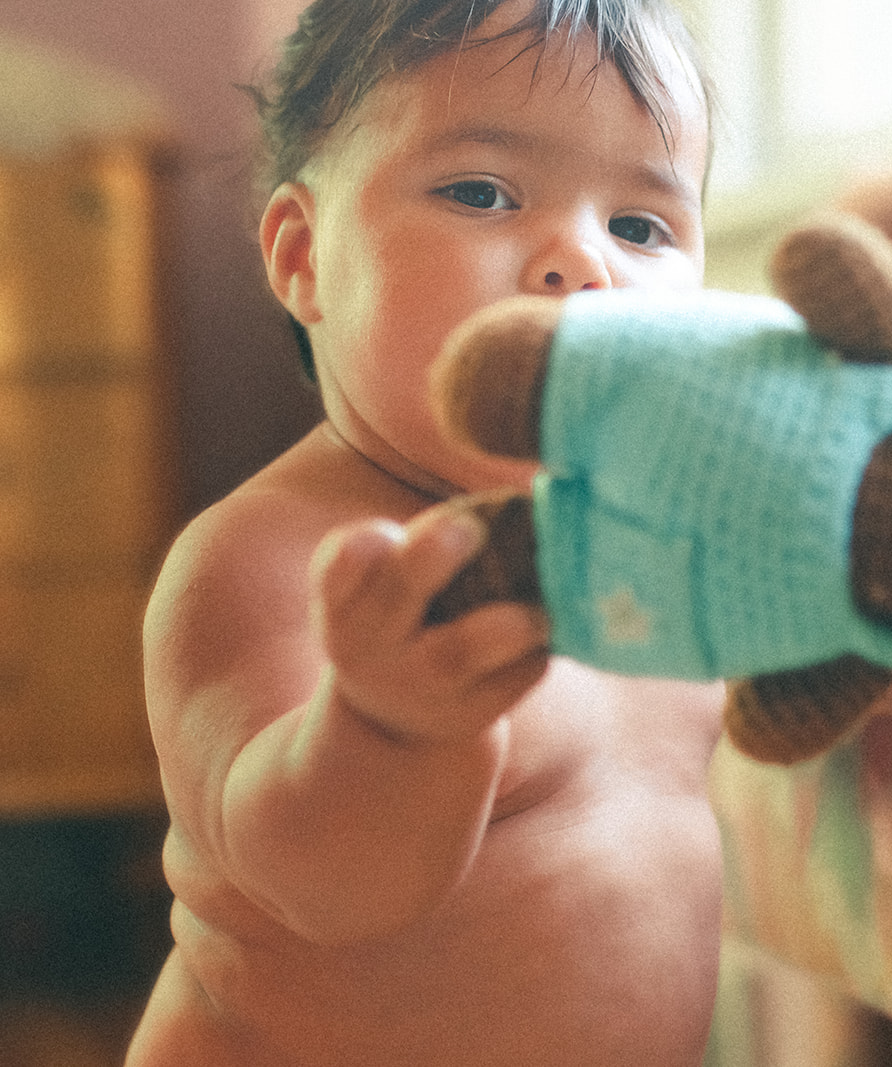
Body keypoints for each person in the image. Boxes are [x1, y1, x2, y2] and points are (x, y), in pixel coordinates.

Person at [126, 1, 724, 1063]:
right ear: (304, 256)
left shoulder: (661, 535)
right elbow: (325, 880)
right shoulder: (268, 558)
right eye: (480, 192)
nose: (582, 262)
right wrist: (385, 723)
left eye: (640, 226)